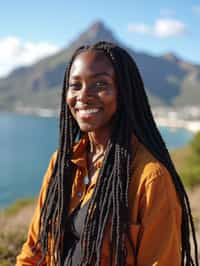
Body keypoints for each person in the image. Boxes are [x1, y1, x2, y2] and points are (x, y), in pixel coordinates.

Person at [16, 41, 199, 266]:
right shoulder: (61, 164)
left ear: (124, 94)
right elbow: (34, 252)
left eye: (100, 84)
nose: (83, 96)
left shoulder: (151, 179)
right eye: (75, 86)